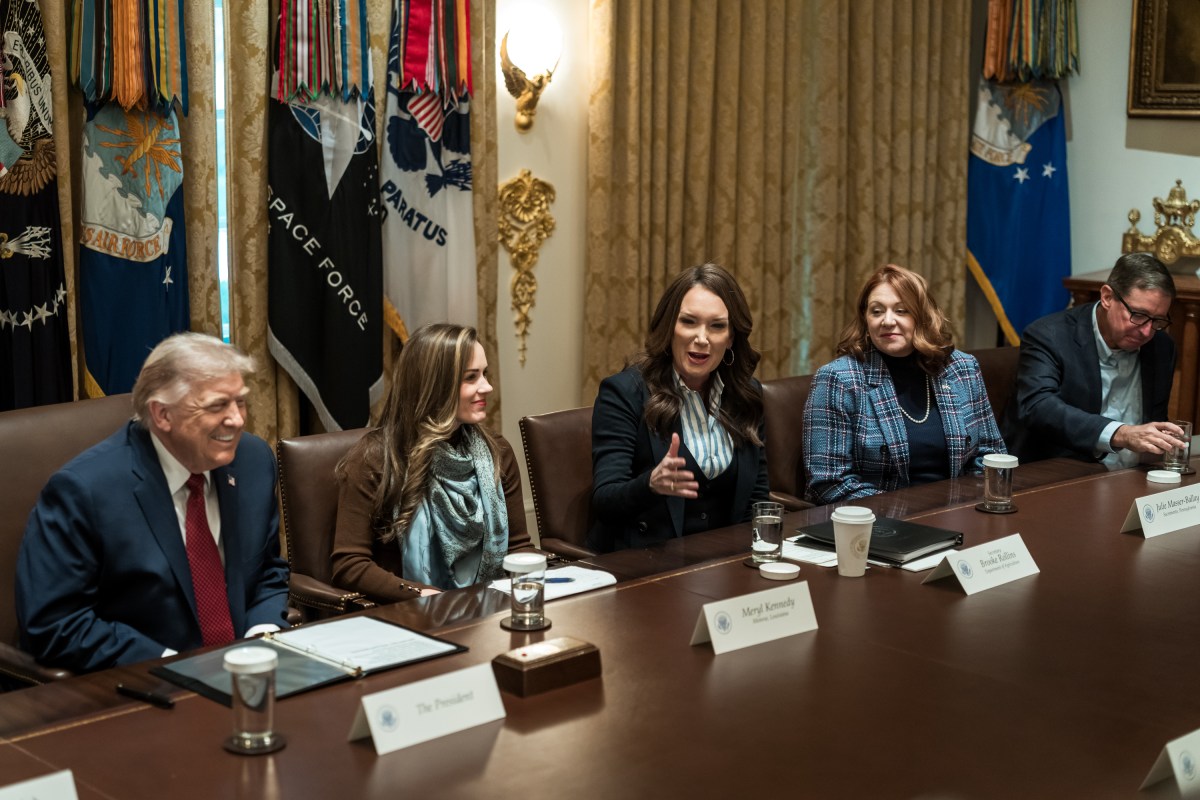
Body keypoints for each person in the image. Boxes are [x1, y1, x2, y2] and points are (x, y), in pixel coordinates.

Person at [16, 333, 290, 673]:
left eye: (241, 402)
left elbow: (268, 571)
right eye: (218, 405)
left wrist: (262, 636)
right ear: (162, 415)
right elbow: (56, 624)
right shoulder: (84, 491)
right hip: (143, 686)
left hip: (248, 674)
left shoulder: (253, 461)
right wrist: (171, 666)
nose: (237, 419)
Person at [332, 324, 531, 601]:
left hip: (490, 608)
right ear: (436, 386)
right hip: (410, 615)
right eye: (471, 377)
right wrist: (421, 594)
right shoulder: (375, 459)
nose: (487, 387)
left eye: (484, 374)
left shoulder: (496, 451)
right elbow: (349, 565)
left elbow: (519, 547)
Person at [588, 264, 769, 552]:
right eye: (689, 322)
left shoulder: (746, 395)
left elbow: (756, 496)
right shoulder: (625, 392)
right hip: (648, 563)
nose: (702, 338)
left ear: (731, 337)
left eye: (717, 326)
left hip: (727, 564)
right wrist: (650, 484)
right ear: (670, 327)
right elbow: (605, 500)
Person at [803, 263, 1005, 504]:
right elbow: (828, 483)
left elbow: (992, 455)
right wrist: (910, 512)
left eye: (901, 310)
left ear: (922, 317)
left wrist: (964, 505)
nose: (887, 321)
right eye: (877, 311)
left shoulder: (962, 368)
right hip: (881, 524)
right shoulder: (839, 379)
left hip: (959, 513)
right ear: (865, 319)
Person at [1004, 252, 1180, 467]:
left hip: (1134, 477)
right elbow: (1039, 406)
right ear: (1107, 297)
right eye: (1138, 315)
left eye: (1157, 320)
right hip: (1062, 473)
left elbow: (1155, 420)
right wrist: (1121, 433)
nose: (1146, 331)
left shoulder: (1161, 347)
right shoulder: (1049, 336)